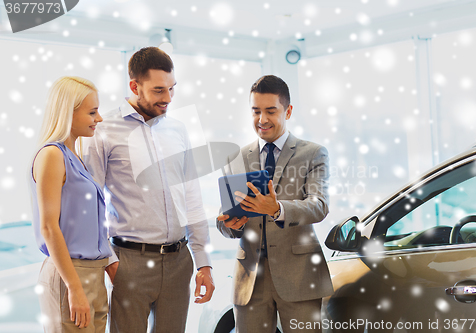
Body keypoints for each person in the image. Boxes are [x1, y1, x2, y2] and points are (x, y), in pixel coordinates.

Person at [82, 47, 214, 333]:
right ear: (134, 86)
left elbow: (191, 196)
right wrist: (112, 262)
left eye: (171, 89)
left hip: (180, 262)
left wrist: (203, 261)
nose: (167, 98)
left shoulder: (179, 130)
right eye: (158, 90)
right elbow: (91, 203)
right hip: (130, 261)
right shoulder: (103, 131)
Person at [217, 75, 334, 333]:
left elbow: (319, 205)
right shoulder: (235, 157)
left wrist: (277, 209)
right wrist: (230, 224)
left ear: (288, 111)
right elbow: (224, 218)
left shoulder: (313, 153)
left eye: (271, 111)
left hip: (299, 277)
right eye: (256, 111)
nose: (262, 119)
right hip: (249, 279)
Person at [30, 76, 112, 332]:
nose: (99, 119)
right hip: (70, 275)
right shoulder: (52, 155)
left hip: (92, 274)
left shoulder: (76, 157)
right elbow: (48, 228)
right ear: (68, 112)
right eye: (92, 112)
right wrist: (74, 288)